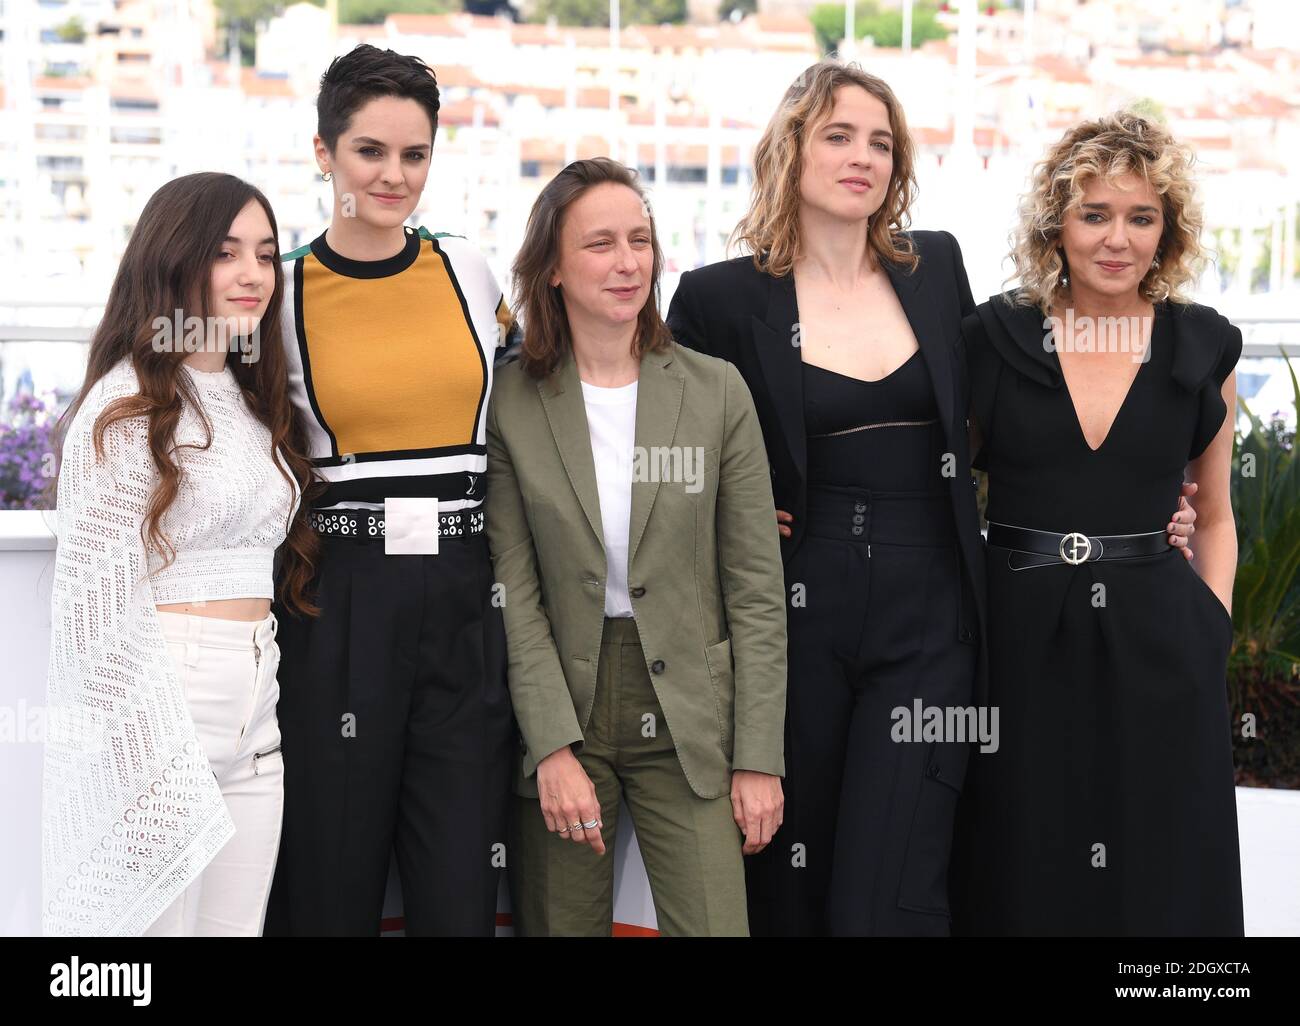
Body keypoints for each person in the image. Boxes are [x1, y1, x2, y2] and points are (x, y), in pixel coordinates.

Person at [665, 59, 1198, 936]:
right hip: (794, 613)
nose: (862, 157)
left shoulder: (935, 268)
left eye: (880, 141)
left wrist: (1136, 503)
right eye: (838, 135)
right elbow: (664, 447)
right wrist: (727, 508)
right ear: (792, 148)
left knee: (899, 876)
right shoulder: (719, 299)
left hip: (934, 613)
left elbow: (1023, 408)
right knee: (790, 873)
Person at [950, 111, 1244, 935]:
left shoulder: (1201, 349)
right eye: (1095, 214)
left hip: (1160, 639)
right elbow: (930, 484)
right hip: (1016, 636)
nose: (1118, 239)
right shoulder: (993, 338)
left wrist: (1210, 626)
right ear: (1057, 226)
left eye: (1141, 217)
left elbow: (1216, 513)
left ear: (1167, 233)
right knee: (1021, 853)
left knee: (1161, 861)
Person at [485, 157, 787, 936]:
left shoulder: (717, 392)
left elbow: (756, 592)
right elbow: (514, 594)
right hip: (568, 707)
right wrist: (551, 748)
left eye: (641, 241)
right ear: (551, 267)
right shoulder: (511, 401)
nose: (628, 264)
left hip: (691, 709)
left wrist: (759, 757)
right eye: (600, 245)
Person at [263, 44, 515, 936]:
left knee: (459, 892)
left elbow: (554, 400)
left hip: (465, 600)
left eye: (414, 154)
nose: (393, 175)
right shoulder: (279, 292)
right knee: (331, 884)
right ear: (324, 153)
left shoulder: (471, 271)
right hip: (342, 605)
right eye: (370, 151)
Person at [42, 173, 317, 936]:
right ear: (174, 259)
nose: (253, 274)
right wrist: (133, 740)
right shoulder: (124, 402)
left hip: (257, 706)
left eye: (265, 254)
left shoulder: (251, 396)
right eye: (226, 252)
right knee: (144, 940)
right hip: (166, 701)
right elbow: (94, 604)